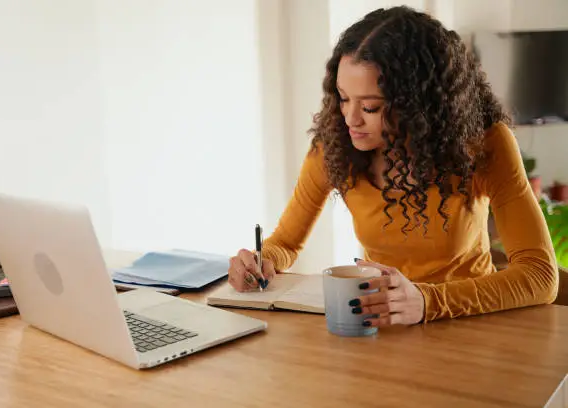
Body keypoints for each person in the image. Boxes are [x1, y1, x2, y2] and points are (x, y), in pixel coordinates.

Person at [227, 6, 558, 326]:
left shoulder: (484, 145)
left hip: (471, 323)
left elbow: (540, 274)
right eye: (343, 98)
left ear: (418, 106)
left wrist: (428, 301)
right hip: (383, 324)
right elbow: (285, 243)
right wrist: (261, 261)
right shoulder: (335, 147)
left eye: (370, 107)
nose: (349, 119)